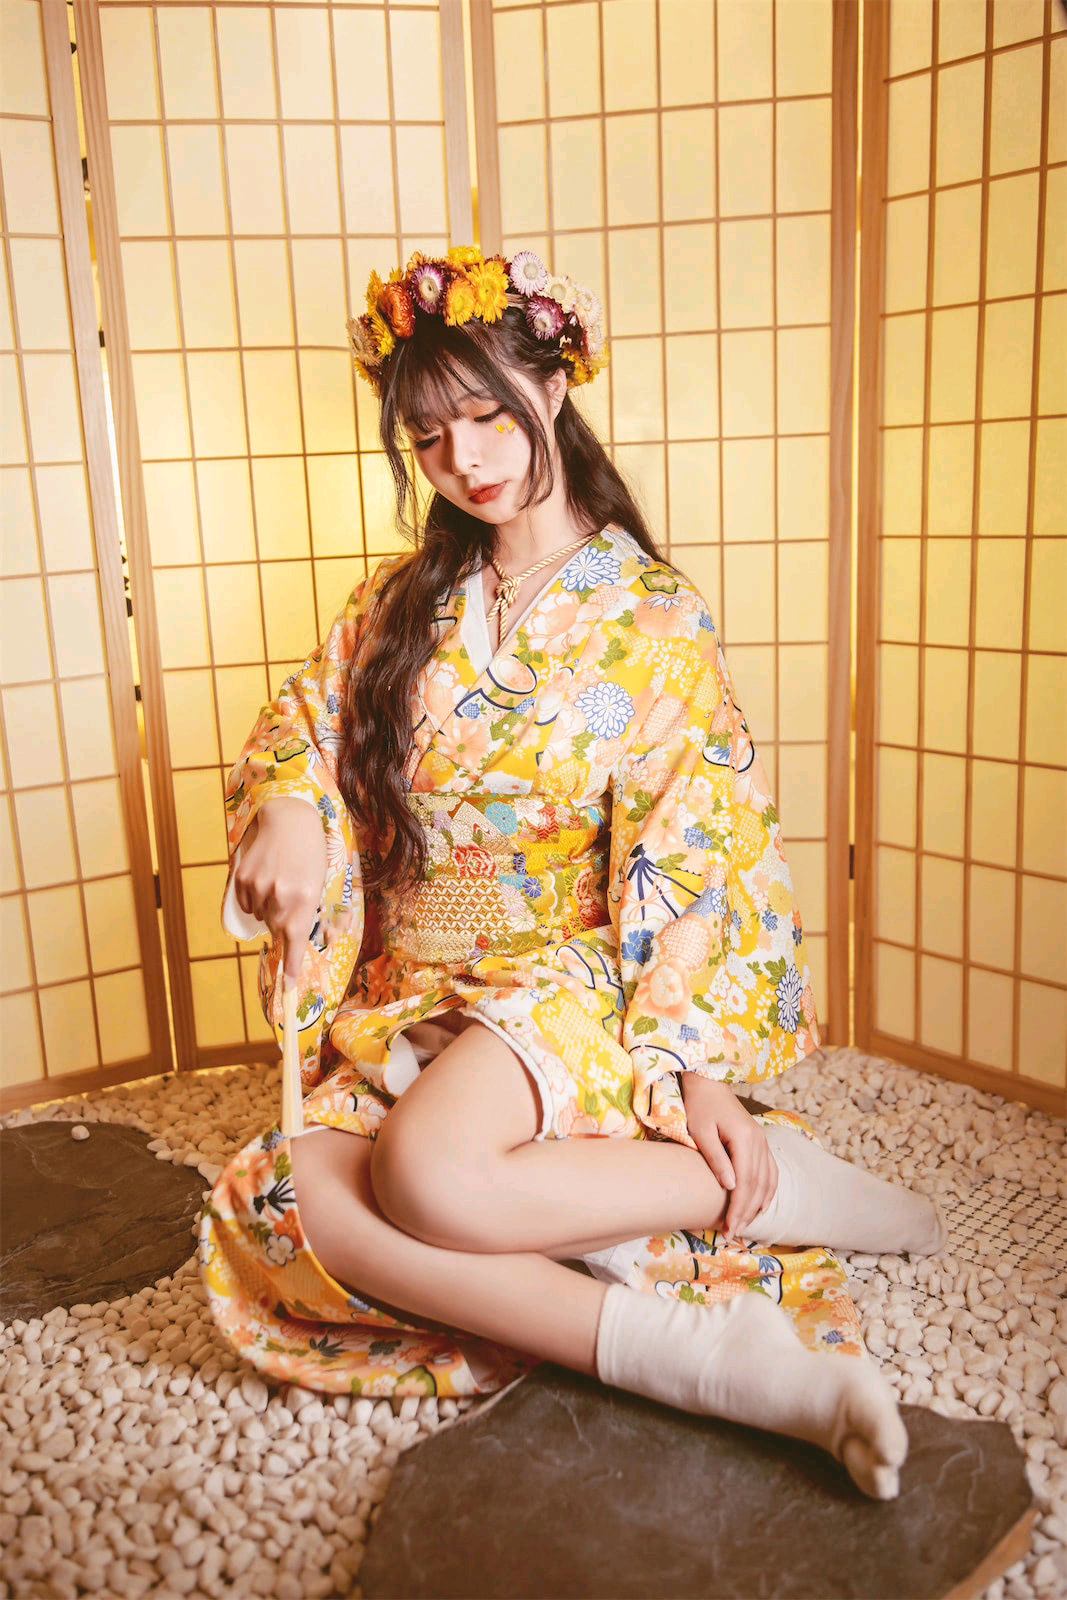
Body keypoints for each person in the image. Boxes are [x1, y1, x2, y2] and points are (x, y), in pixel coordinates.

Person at [198, 245, 946, 1501]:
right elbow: (303, 727)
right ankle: (699, 1347)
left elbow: (698, 837)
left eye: (487, 414)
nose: (464, 458)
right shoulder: (397, 602)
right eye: (429, 438)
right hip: (413, 983)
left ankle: (752, 1197)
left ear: (552, 386)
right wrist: (283, 805)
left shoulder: (651, 617)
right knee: (287, 1197)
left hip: (571, 971)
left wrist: (695, 1069)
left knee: (422, 1176)